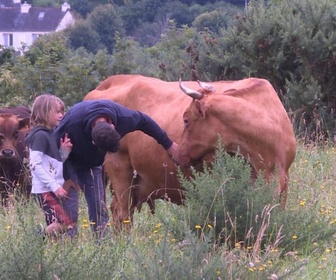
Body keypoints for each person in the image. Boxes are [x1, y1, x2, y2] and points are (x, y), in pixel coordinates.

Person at [53, 99, 179, 238]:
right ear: (93, 141)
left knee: (98, 205)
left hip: (91, 165)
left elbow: (145, 122)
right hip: (68, 160)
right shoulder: (71, 124)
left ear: (113, 127)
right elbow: (51, 151)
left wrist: (169, 145)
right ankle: (66, 245)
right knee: (70, 212)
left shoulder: (124, 118)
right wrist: (66, 177)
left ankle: (102, 244)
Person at [25, 94, 75, 238]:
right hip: (45, 189)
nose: (61, 115)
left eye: (62, 112)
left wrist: (64, 152)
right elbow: (35, 165)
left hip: (50, 188)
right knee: (65, 223)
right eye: (57, 112)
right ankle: (35, 240)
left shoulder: (50, 134)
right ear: (44, 112)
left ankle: (45, 247)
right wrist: (54, 186)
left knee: (59, 224)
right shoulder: (40, 136)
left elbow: (52, 165)